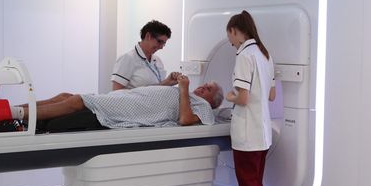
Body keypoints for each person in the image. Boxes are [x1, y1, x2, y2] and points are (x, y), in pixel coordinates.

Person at [224, 10, 277, 186]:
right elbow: (271, 95)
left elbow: (243, 98)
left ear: (234, 31)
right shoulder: (265, 55)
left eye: (230, 37)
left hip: (247, 134)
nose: (231, 42)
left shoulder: (244, 56)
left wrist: (229, 96)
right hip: (262, 132)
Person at [14, 77, 223, 132]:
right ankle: (11, 109)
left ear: (212, 102)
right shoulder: (185, 94)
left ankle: (15, 115)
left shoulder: (203, 108)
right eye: (205, 84)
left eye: (208, 89)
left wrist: (184, 88)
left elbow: (185, 120)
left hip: (133, 109)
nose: (203, 86)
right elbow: (156, 94)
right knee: (65, 96)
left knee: (76, 101)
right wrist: (169, 82)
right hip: (130, 97)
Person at [111, 20, 176, 91]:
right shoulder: (127, 58)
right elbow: (116, 92)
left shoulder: (157, 60)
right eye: (159, 41)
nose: (161, 47)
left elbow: (156, 89)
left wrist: (168, 82)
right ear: (148, 36)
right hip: (134, 99)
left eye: (164, 43)